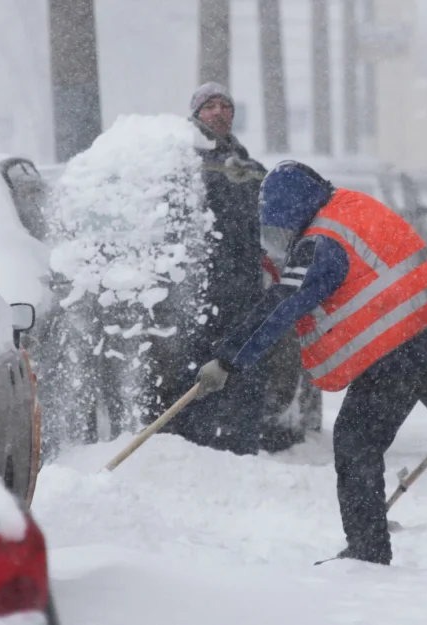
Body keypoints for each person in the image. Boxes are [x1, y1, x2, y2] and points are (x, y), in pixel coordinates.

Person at [191, 160, 427, 565]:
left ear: (294, 210)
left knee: (357, 443)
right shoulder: (356, 207)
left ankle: (367, 548)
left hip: (395, 353)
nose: (282, 237)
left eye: (281, 226)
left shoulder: (322, 241)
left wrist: (229, 360)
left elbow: (283, 303)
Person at [154, 82, 269, 455]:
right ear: (195, 114)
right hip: (198, 294)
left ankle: (242, 450)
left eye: (225, 106)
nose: (218, 112)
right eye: (209, 106)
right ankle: (195, 450)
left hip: (246, 293)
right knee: (196, 376)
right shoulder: (181, 164)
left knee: (246, 375)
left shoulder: (248, 168)